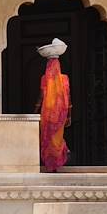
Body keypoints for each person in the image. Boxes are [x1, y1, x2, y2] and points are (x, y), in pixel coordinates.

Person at [35, 39, 71, 172]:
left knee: (47, 138)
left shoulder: (45, 79)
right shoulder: (65, 79)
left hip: (48, 113)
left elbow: (41, 96)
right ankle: (56, 164)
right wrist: (69, 115)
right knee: (57, 138)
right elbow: (69, 98)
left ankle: (51, 165)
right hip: (60, 114)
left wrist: (35, 110)